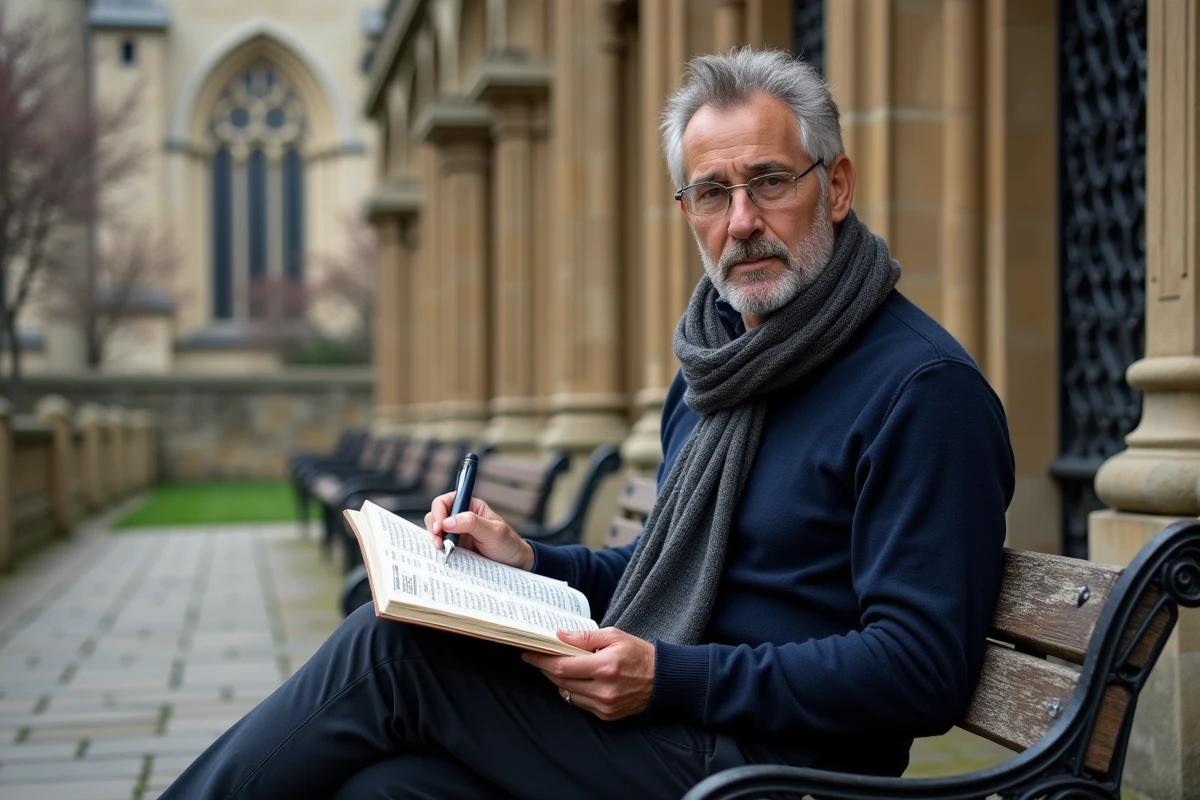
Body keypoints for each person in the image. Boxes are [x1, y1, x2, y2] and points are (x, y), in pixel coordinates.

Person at [162, 48, 1014, 800]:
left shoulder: (920, 390)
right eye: (712, 192)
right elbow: (667, 570)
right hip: (684, 730)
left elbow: (920, 670)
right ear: (687, 215)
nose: (742, 222)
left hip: (777, 770)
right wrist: (528, 562)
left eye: (769, 181)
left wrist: (673, 677)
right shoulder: (720, 368)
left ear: (836, 186)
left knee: (396, 654)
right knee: (391, 787)